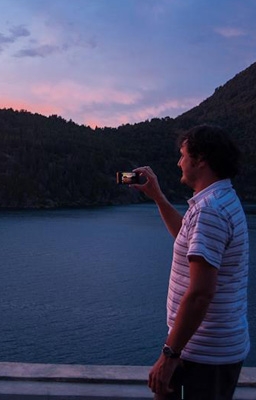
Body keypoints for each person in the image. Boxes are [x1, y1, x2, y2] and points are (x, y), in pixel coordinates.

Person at [132, 125, 249, 400]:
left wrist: (169, 355)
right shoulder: (219, 200)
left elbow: (200, 294)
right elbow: (186, 236)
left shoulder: (210, 211)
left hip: (202, 357)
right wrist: (158, 197)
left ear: (201, 159)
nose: (179, 162)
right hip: (213, 351)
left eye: (183, 155)